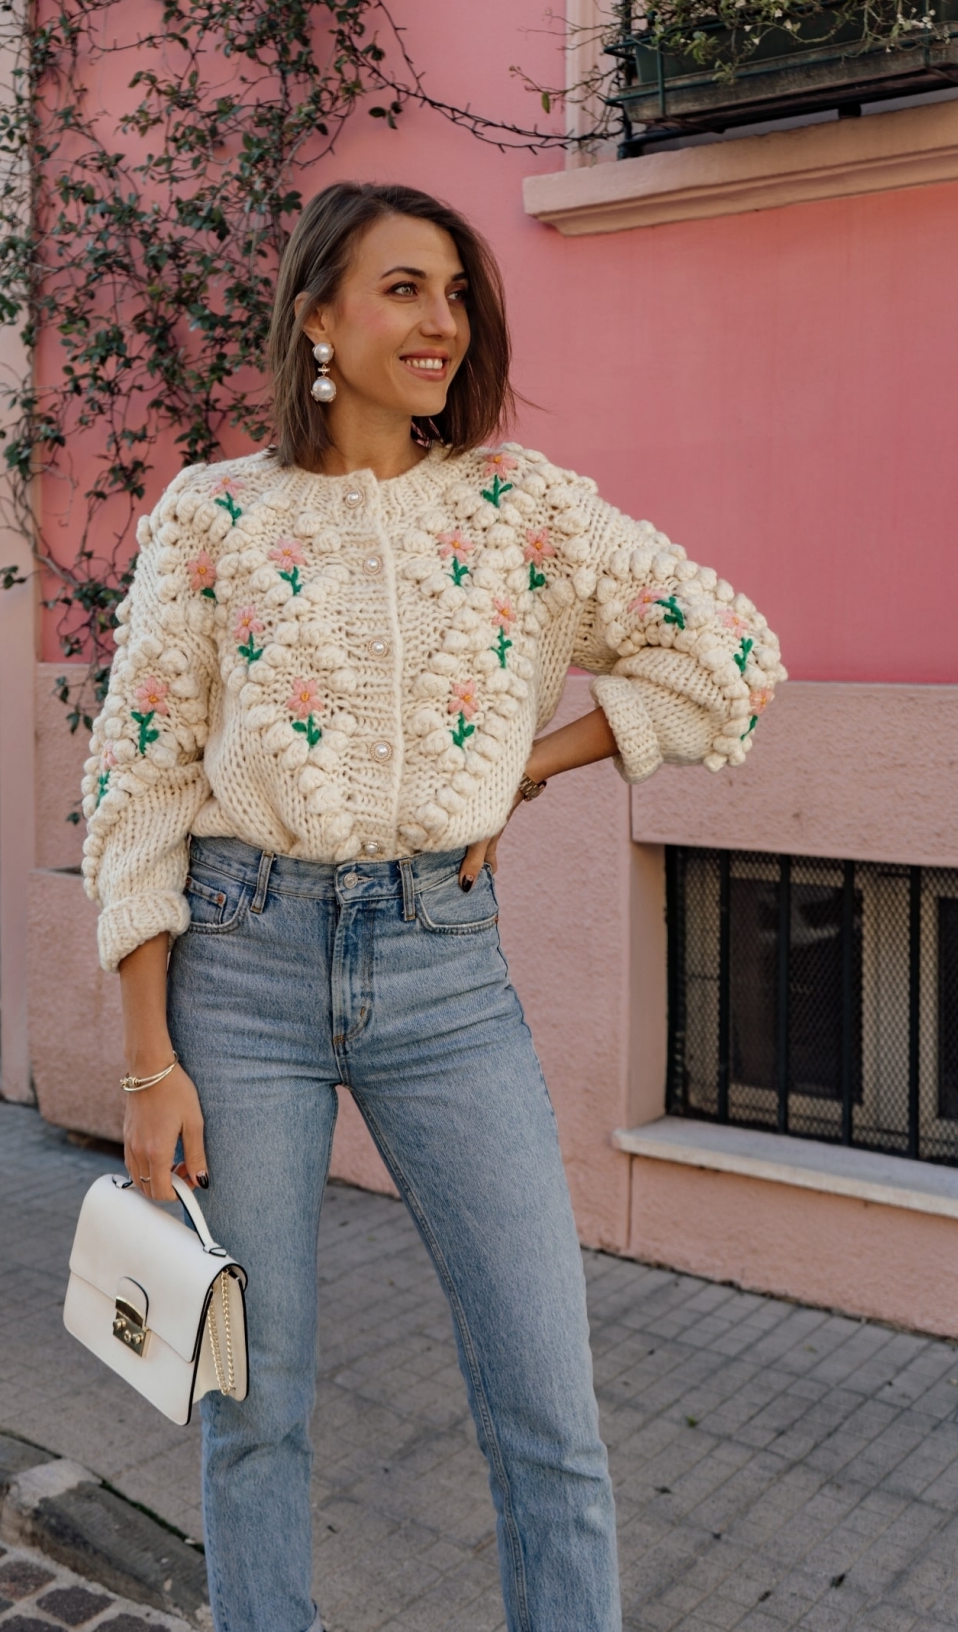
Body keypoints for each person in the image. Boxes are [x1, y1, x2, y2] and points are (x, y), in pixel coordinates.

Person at [81, 181, 784, 1632]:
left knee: (549, 1410)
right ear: (318, 314)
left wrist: (546, 754)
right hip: (244, 966)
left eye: (456, 294)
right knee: (254, 1404)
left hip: (444, 976)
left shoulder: (522, 508)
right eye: (405, 288)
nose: (442, 323)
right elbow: (140, 783)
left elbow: (730, 653)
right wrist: (147, 1062)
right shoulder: (214, 514)